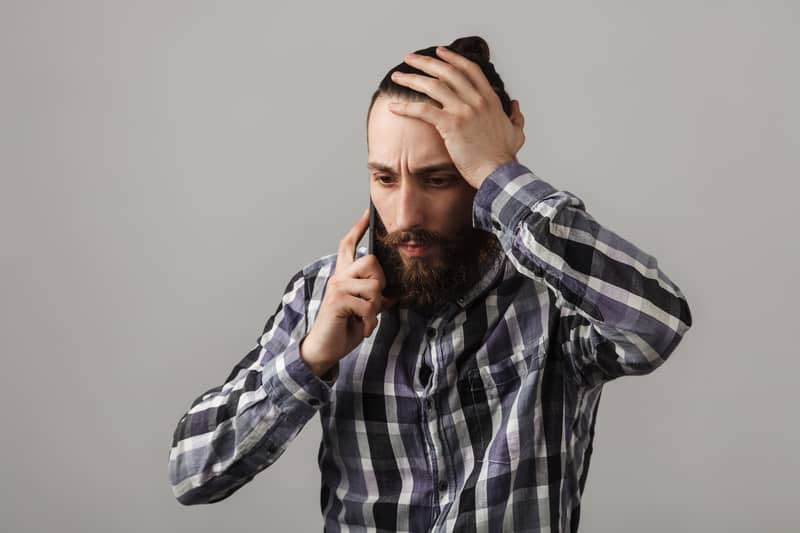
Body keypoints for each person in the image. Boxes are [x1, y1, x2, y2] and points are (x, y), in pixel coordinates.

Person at [167, 35, 693, 532]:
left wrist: (500, 172)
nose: (403, 215)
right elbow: (192, 473)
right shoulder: (324, 295)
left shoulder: (554, 294)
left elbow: (656, 325)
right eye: (384, 179)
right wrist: (310, 358)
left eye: (438, 179)